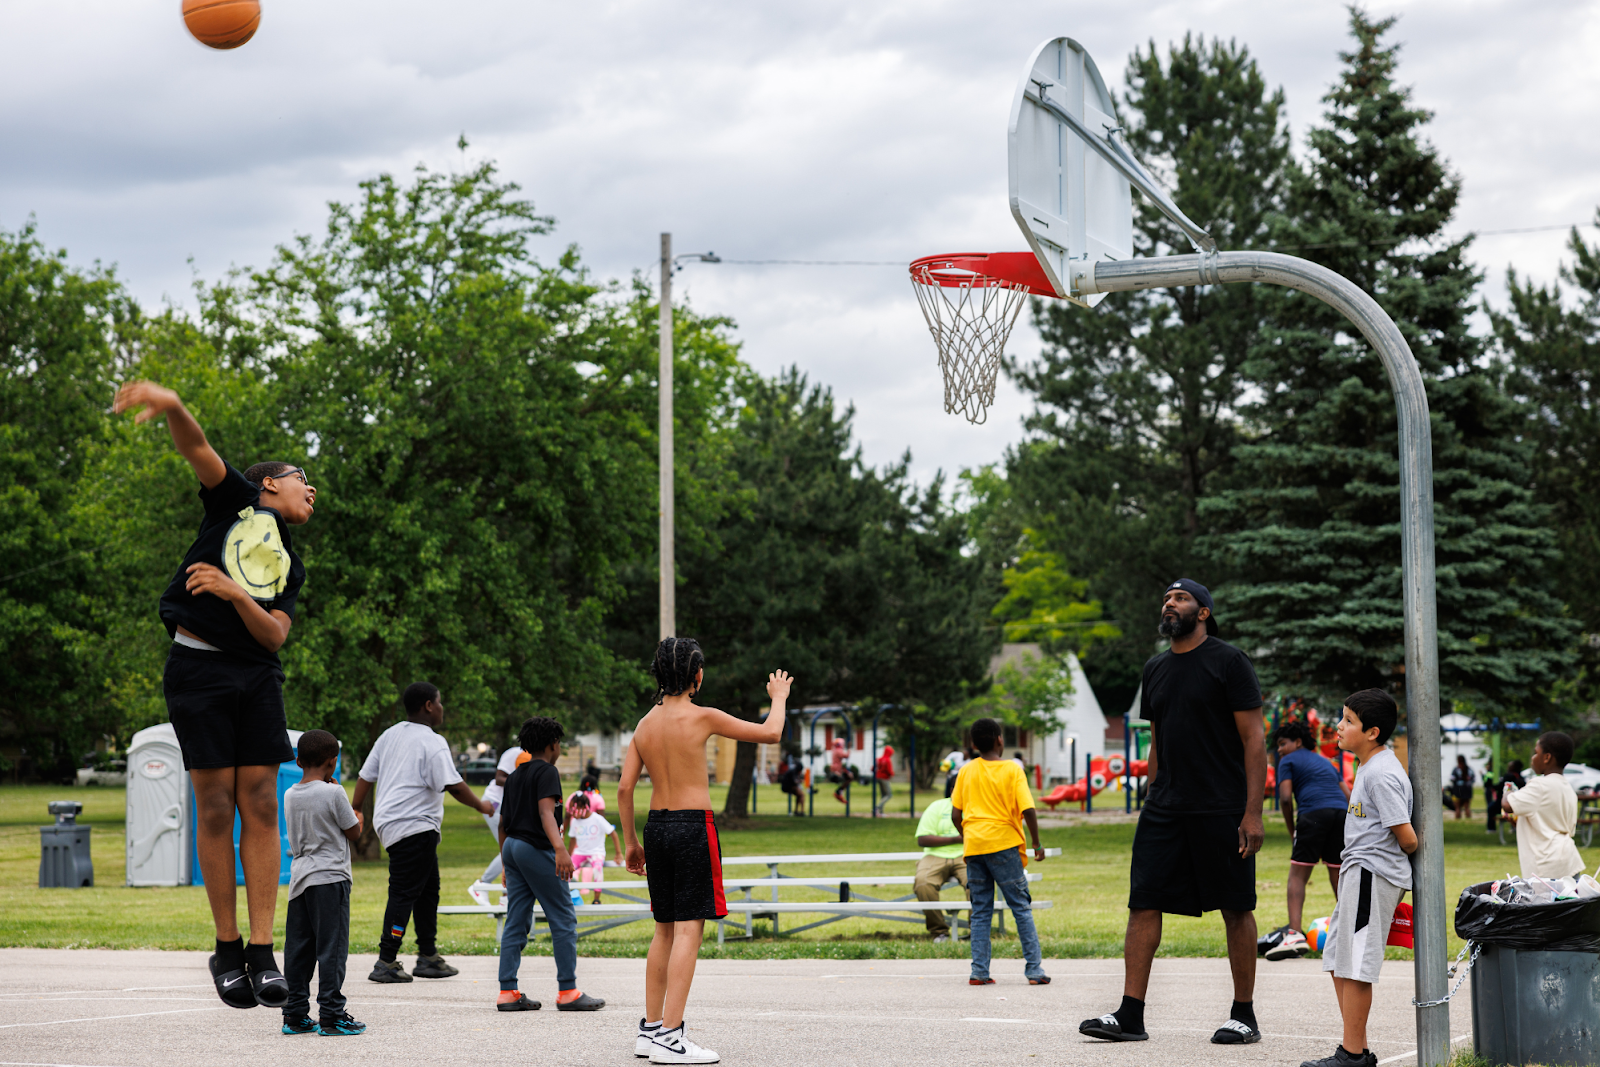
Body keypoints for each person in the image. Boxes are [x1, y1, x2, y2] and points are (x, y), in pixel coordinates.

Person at [114, 380, 316, 1011]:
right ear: (267, 486)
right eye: (300, 478)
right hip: (198, 670)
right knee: (215, 805)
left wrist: (235, 595)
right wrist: (173, 406)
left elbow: (275, 636)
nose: (311, 490)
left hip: (256, 677)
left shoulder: (288, 563)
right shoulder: (234, 502)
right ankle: (226, 949)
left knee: (260, 801)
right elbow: (196, 446)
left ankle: (262, 952)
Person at [1081, 578, 1266, 1045]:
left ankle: (1244, 1015)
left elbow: (1254, 739)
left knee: (1235, 905)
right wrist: (1151, 794)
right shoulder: (1155, 669)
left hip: (1221, 806)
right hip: (1165, 807)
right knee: (1143, 901)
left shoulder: (1229, 661)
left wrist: (1252, 813)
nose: (1169, 603)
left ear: (1203, 612)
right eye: (1166, 597)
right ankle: (1130, 1014)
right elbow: (1158, 739)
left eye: (1180, 598)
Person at [619, 638, 791, 1064]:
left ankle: (650, 1029)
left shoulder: (644, 725)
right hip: (693, 827)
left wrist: (630, 843)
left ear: (659, 676)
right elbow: (771, 732)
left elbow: (624, 789)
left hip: (656, 828)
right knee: (689, 930)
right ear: (696, 676)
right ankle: (671, 1036)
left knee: (664, 927)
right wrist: (779, 697)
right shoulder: (703, 717)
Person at [1299, 689, 1417, 1067]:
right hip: (1357, 873)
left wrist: (1386, 864)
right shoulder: (1369, 766)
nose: (1339, 726)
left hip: (1371, 874)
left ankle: (1351, 1055)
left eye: (1348, 720)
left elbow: (1408, 837)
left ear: (1372, 732)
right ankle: (1357, 1048)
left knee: (1356, 965)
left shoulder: (1382, 773)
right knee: (1337, 958)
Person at [351, 682, 495, 984]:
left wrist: (357, 808)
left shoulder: (389, 734)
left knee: (429, 890)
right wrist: (483, 806)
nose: (442, 708)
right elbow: (453, 785)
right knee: (404, 892)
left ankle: (428, 956)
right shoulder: (432, 741)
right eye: (440, 702)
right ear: (429, 705)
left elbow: (365, 776)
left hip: (395, 824)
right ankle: (386, 960)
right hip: (414, 825)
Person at [495, 716, 605, 1013]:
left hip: (514, 848)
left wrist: (506, 861)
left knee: (516, 919)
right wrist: (561, 850)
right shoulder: (547, 772)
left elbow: (502, 824)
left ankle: (507, 991)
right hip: (535, 848)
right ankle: (568, 991)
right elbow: (546, 813)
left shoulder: (516, 775)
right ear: (552, 744)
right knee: (563, 917)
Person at [280, 730, 366, 1037]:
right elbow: (353, 832)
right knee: (332, 948)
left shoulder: (290, 794)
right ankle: (331, 1014)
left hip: (300, 878)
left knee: (299, 949)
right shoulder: (334, 793)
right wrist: (359, 817)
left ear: (299, 760)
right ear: (333, 762)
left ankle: (295, 1014)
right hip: (330, 877)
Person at [951, 717, 1048, 986]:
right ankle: (1034, 971)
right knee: (1020, 907)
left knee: (980, 910)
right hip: (1003, 845)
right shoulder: (1013, 769)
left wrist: (968, 835)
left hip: (975, 847)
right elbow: (1028, 808)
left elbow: (955, 813)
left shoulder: (966, 771)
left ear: (972, 744)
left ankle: (979, 972)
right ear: (1000, 740)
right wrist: (1037, 843)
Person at [1265, 720, 1352, 961]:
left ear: (1298, 742)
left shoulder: (1288, 761)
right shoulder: (1326, 762)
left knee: (1298, 874)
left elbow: (1284, 798)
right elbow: (1349, 794)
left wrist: (1292, 828)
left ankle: (1294, 934)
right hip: (1341, 814)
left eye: (1283, 744)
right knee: (1338, 873)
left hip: (1312, 814)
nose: (1280, 749)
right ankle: (1349, 933)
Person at [1500, 731, 1585, 880]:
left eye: (1536, 753)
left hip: (1547, 865)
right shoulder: (1567, 788)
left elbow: (1507, 805)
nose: (1533, 758)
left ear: (1547, 757)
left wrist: (1508, 791)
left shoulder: (1540, 785)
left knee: (1546, 903)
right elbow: (1549, 822)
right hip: (1568, 860)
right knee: (1570, 902)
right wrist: (1519, 823)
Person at [913, 778, 968, 943]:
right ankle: (939, 932)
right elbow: (923, 839)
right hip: (935, 855)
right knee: (923, 883)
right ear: (951, 789)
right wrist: (957, 839)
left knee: (979, 883)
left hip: (967, 854)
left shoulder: (977, 808)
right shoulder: (937, 806)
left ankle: (977, 931)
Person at [478, 742, 525, 887]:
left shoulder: (537, 758)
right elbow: (499, 778)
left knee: (514, 848)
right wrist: (523, 783)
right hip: (495, 803)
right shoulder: (514, 753)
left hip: (509, 807)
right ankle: (482, 884)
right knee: (510, 848)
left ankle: (505, 896)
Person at [564, 792, 621, 904]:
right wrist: (568, 857)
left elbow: (613, 833)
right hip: (580, 852)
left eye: (574, 809)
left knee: (597, 869)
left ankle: (596, 898)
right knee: (567, 870)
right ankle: (570, 897)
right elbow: (572, 840)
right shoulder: (575, 821)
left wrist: (618, 853)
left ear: (584, 807)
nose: (572, 813)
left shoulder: (598, 819)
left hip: (596, 852)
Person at [1449, 755, 1475, 820]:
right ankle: (1468, 819)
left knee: (1457, 807)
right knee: (1467, 807)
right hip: (1467, 789)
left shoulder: (1456, 769)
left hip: (1458, 789)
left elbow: (1452, 778)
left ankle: (1458, 818)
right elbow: (1473, 779)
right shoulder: (1469, 769)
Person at [874, 745, 896, 814]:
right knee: (889, 795)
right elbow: (889, 770)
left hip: (878, 777)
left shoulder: (879, 759)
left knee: (883, 795)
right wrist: (892, 774)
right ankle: (878, 807)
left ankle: (880, 812)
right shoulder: (887, 760)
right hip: (885, 778)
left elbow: (873, 768)